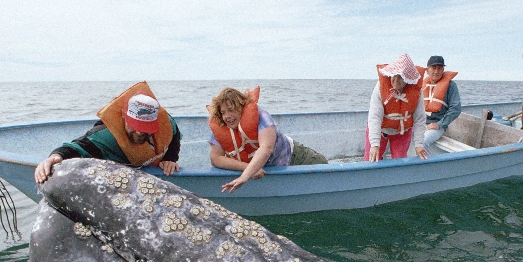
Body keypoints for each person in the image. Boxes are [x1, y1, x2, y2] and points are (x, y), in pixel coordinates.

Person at [34, 82, 180, 184]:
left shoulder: (167, 123)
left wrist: (170, 158)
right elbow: (77, 147)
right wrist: (54, 157)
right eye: (135, 125)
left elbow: (175, 136)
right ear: (124, 116)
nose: (139, 131)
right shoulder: (104, 135)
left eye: (146, 127)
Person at [208, 87, 328, 193]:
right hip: (267, 167)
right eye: (223, 112)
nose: (227, 116)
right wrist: (247, 168)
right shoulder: (223, 126)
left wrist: (244, 177)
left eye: (231, 110)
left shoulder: (261, 116)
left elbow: (266, 148)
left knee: (324, 166)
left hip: (295, 157)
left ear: (242, 107)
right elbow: (215, 158)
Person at [364, 53, 429, 162]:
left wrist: (418, 144)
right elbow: (374, 117)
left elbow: (420, 119)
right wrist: (375, 144)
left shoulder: (416, 91)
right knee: (370, 160)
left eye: (401, 77)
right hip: (381, 131)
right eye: (394, 75)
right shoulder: (380, 87)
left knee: (400, 161)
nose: (396, 80)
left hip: (402, 132)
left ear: (408, 78)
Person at [417, 55, 461, 148]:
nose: (436, 71)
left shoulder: (451, 86)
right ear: (427, 70)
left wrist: (439, 124)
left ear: (443, 70)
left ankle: (427, 162)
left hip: (437, 126)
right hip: (420, 123)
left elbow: (455, 109)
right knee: (401, 135)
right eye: (433, 68)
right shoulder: (421, 84)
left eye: (439, 68)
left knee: (422, 141)